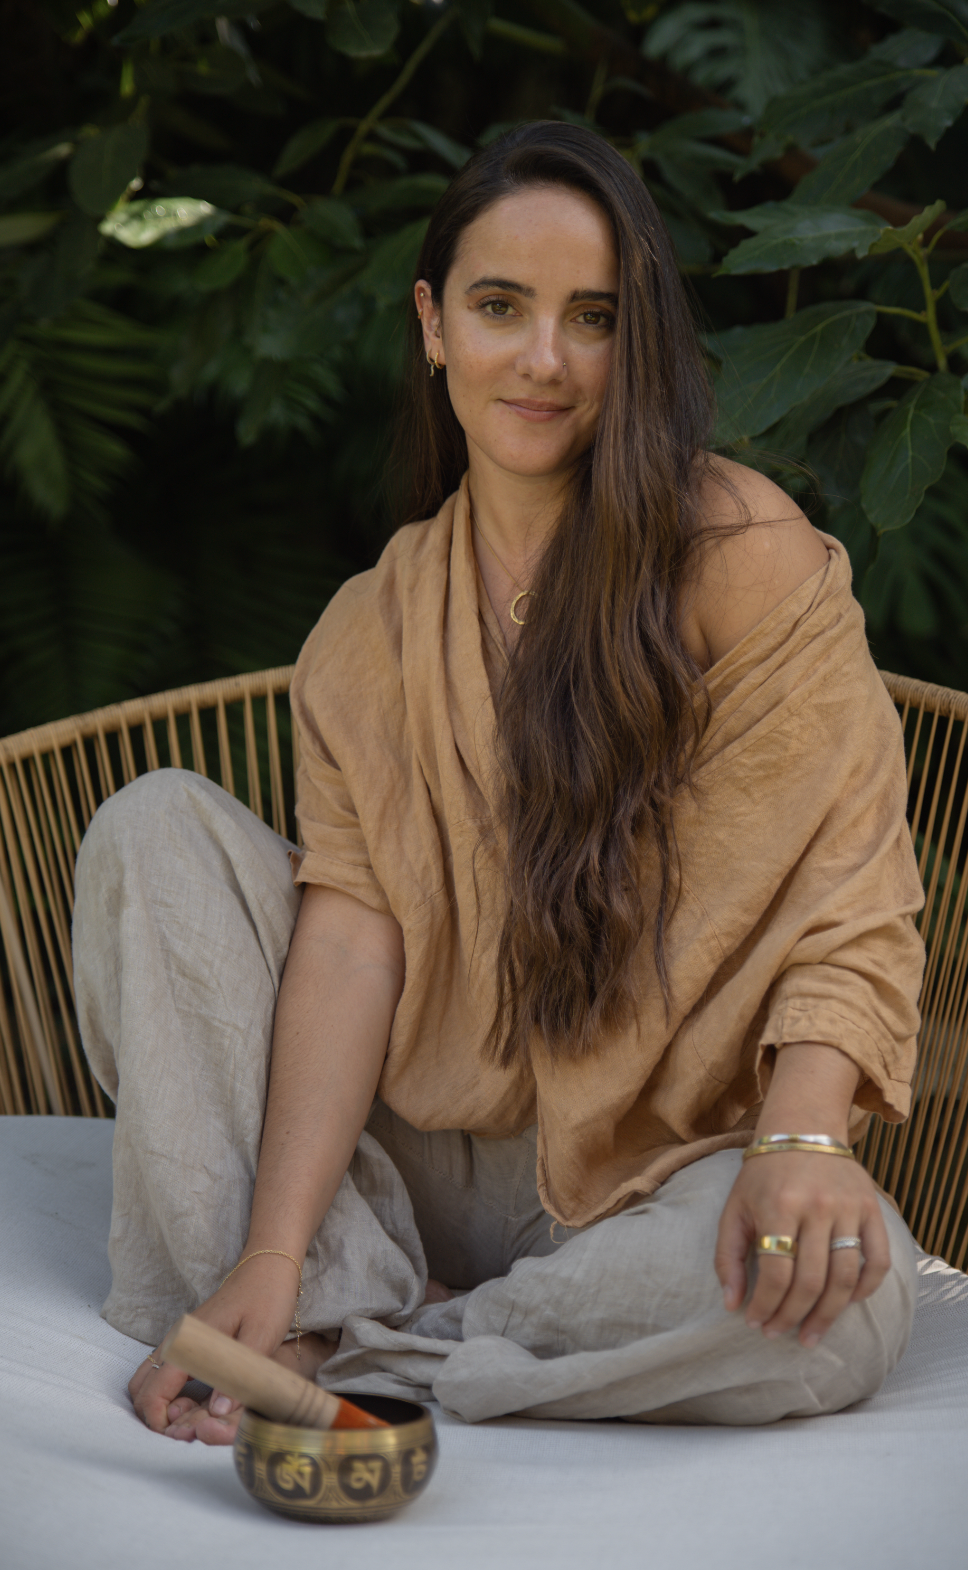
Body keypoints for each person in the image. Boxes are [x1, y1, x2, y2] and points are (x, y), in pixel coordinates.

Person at [72, 122, 925, 1445]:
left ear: (633, 339)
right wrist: (275, 1248)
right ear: (432, 325)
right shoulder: (372, 625)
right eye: (498, 307)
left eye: (590, 317)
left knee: (843, 1307)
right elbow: (352, 947)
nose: (541, 359)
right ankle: (304, 1298)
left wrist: (801, 1143)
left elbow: (849, 890)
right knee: (153, 826)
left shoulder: (741, 555)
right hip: (416, 1156)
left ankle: (396, 1346)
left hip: (661, 1170)